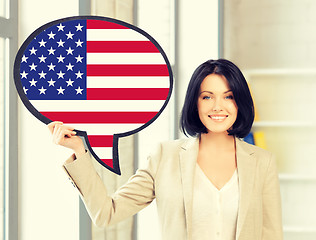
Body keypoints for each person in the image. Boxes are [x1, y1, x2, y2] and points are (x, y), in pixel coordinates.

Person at [48, 59, 283, 240]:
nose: (218, 107)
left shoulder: (263, 162)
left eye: (228, 96)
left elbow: (272, 234)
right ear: (195, 102)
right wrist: (80, 151)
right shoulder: (164, 157)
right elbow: (106, 213)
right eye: (207, 96)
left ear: (239, 102)